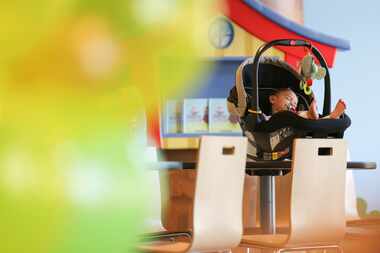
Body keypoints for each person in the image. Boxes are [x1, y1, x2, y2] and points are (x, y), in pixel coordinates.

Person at [266, 88, 346, 120]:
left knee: (315, 124)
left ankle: (331, 117)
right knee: (299, 115)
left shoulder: (294, 115)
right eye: (288, 99)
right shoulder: (267, 118)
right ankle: (310, 114)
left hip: (296, 131)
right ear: (273, 99)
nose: (292, 105)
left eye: (295, 104)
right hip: (274, 130)